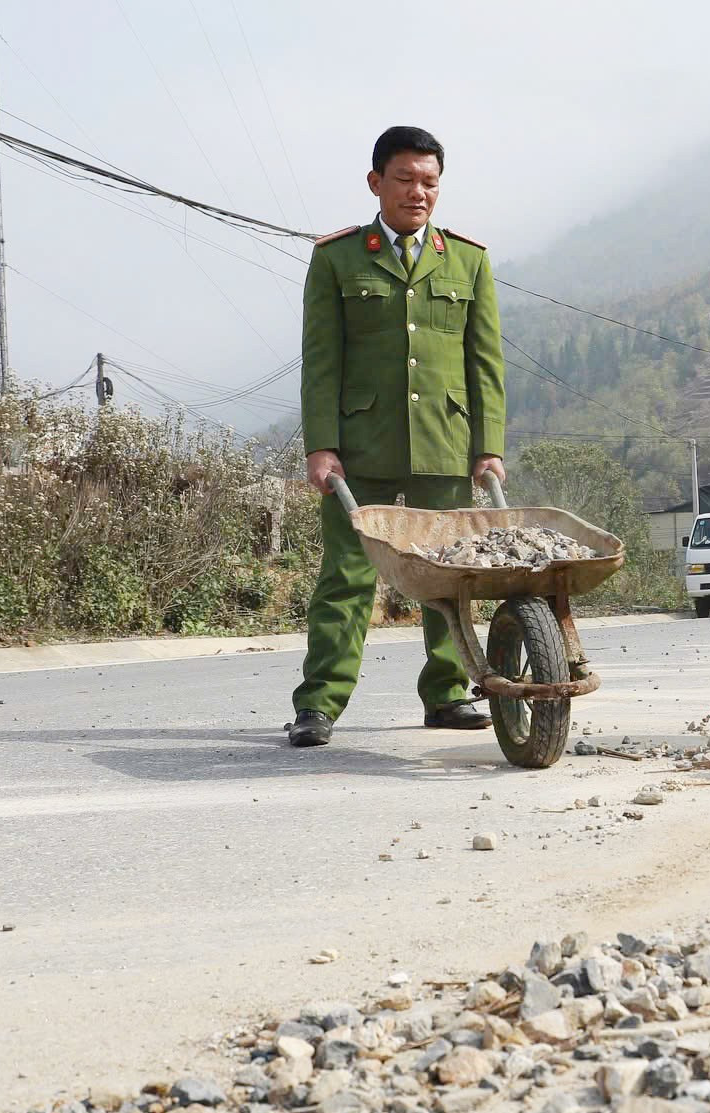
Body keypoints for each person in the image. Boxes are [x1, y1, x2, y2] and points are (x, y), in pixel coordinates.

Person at [288, 126, 506, 748]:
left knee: (450, 575)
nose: (418, 192)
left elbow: (484, 362)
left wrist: (488, 446)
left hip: (444, 443)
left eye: (429, 182)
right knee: (347, 577)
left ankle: (448, 693)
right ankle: (319, 704)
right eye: (405, 179)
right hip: (361, 449)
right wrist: (321, 446)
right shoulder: (337, 259)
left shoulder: (468, 260)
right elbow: (321, 361)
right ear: (375, 182)